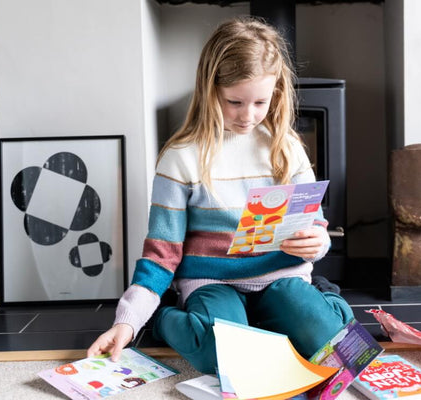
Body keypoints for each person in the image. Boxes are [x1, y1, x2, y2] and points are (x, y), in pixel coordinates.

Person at [87, 16, 353, 374]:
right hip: (213, 282)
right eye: (235, 102)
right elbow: (161, 254)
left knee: (336, 344)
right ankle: (166, 315)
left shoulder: (287, 148)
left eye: (261, 102)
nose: (249, 116)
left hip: (281, 278)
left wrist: (318, 242)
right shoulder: (180, 158)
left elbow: (316, 226)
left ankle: (307, 302)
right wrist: (128, 322)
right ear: (210, 89)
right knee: (225, 358)